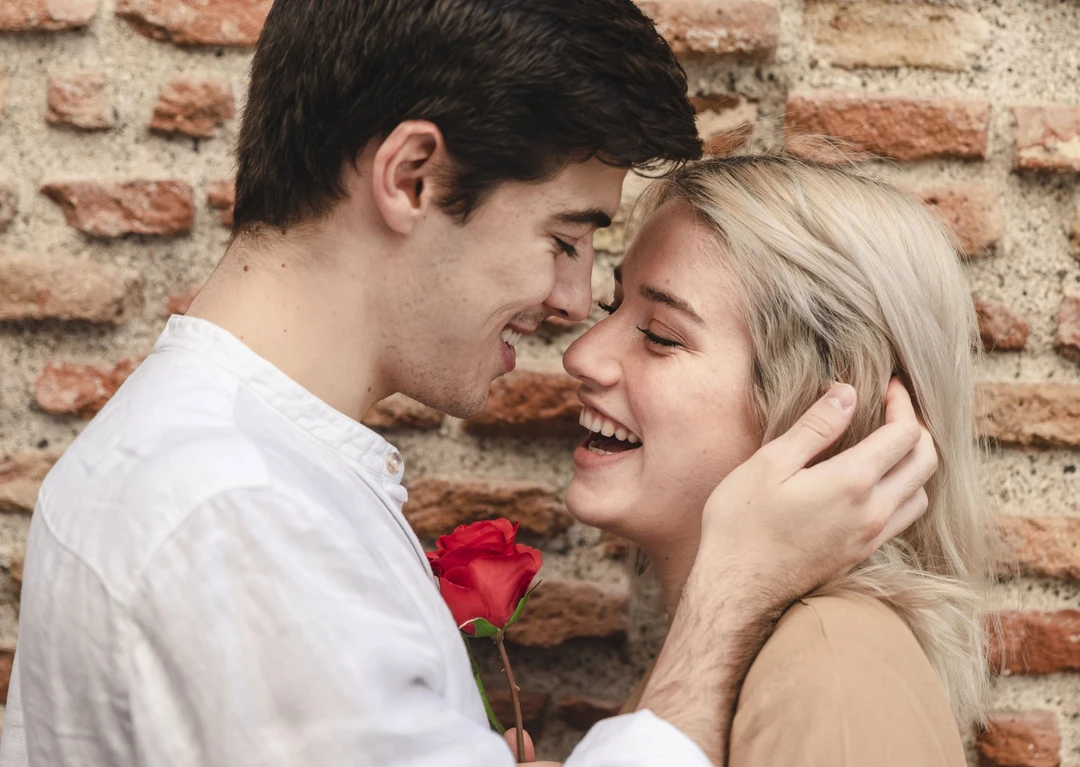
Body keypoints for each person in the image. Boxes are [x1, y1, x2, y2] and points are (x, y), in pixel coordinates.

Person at [0, 2, 937, 765]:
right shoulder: (237, 513)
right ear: (411, 176)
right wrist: (729, 595)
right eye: (564, 240)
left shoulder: (243, 474)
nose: (573, 310)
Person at [564, 154, 993, 766]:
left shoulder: (832, 663)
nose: (582, 355)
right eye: (614, 309)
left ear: (822, 409)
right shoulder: (744, 660)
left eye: (660, 335)